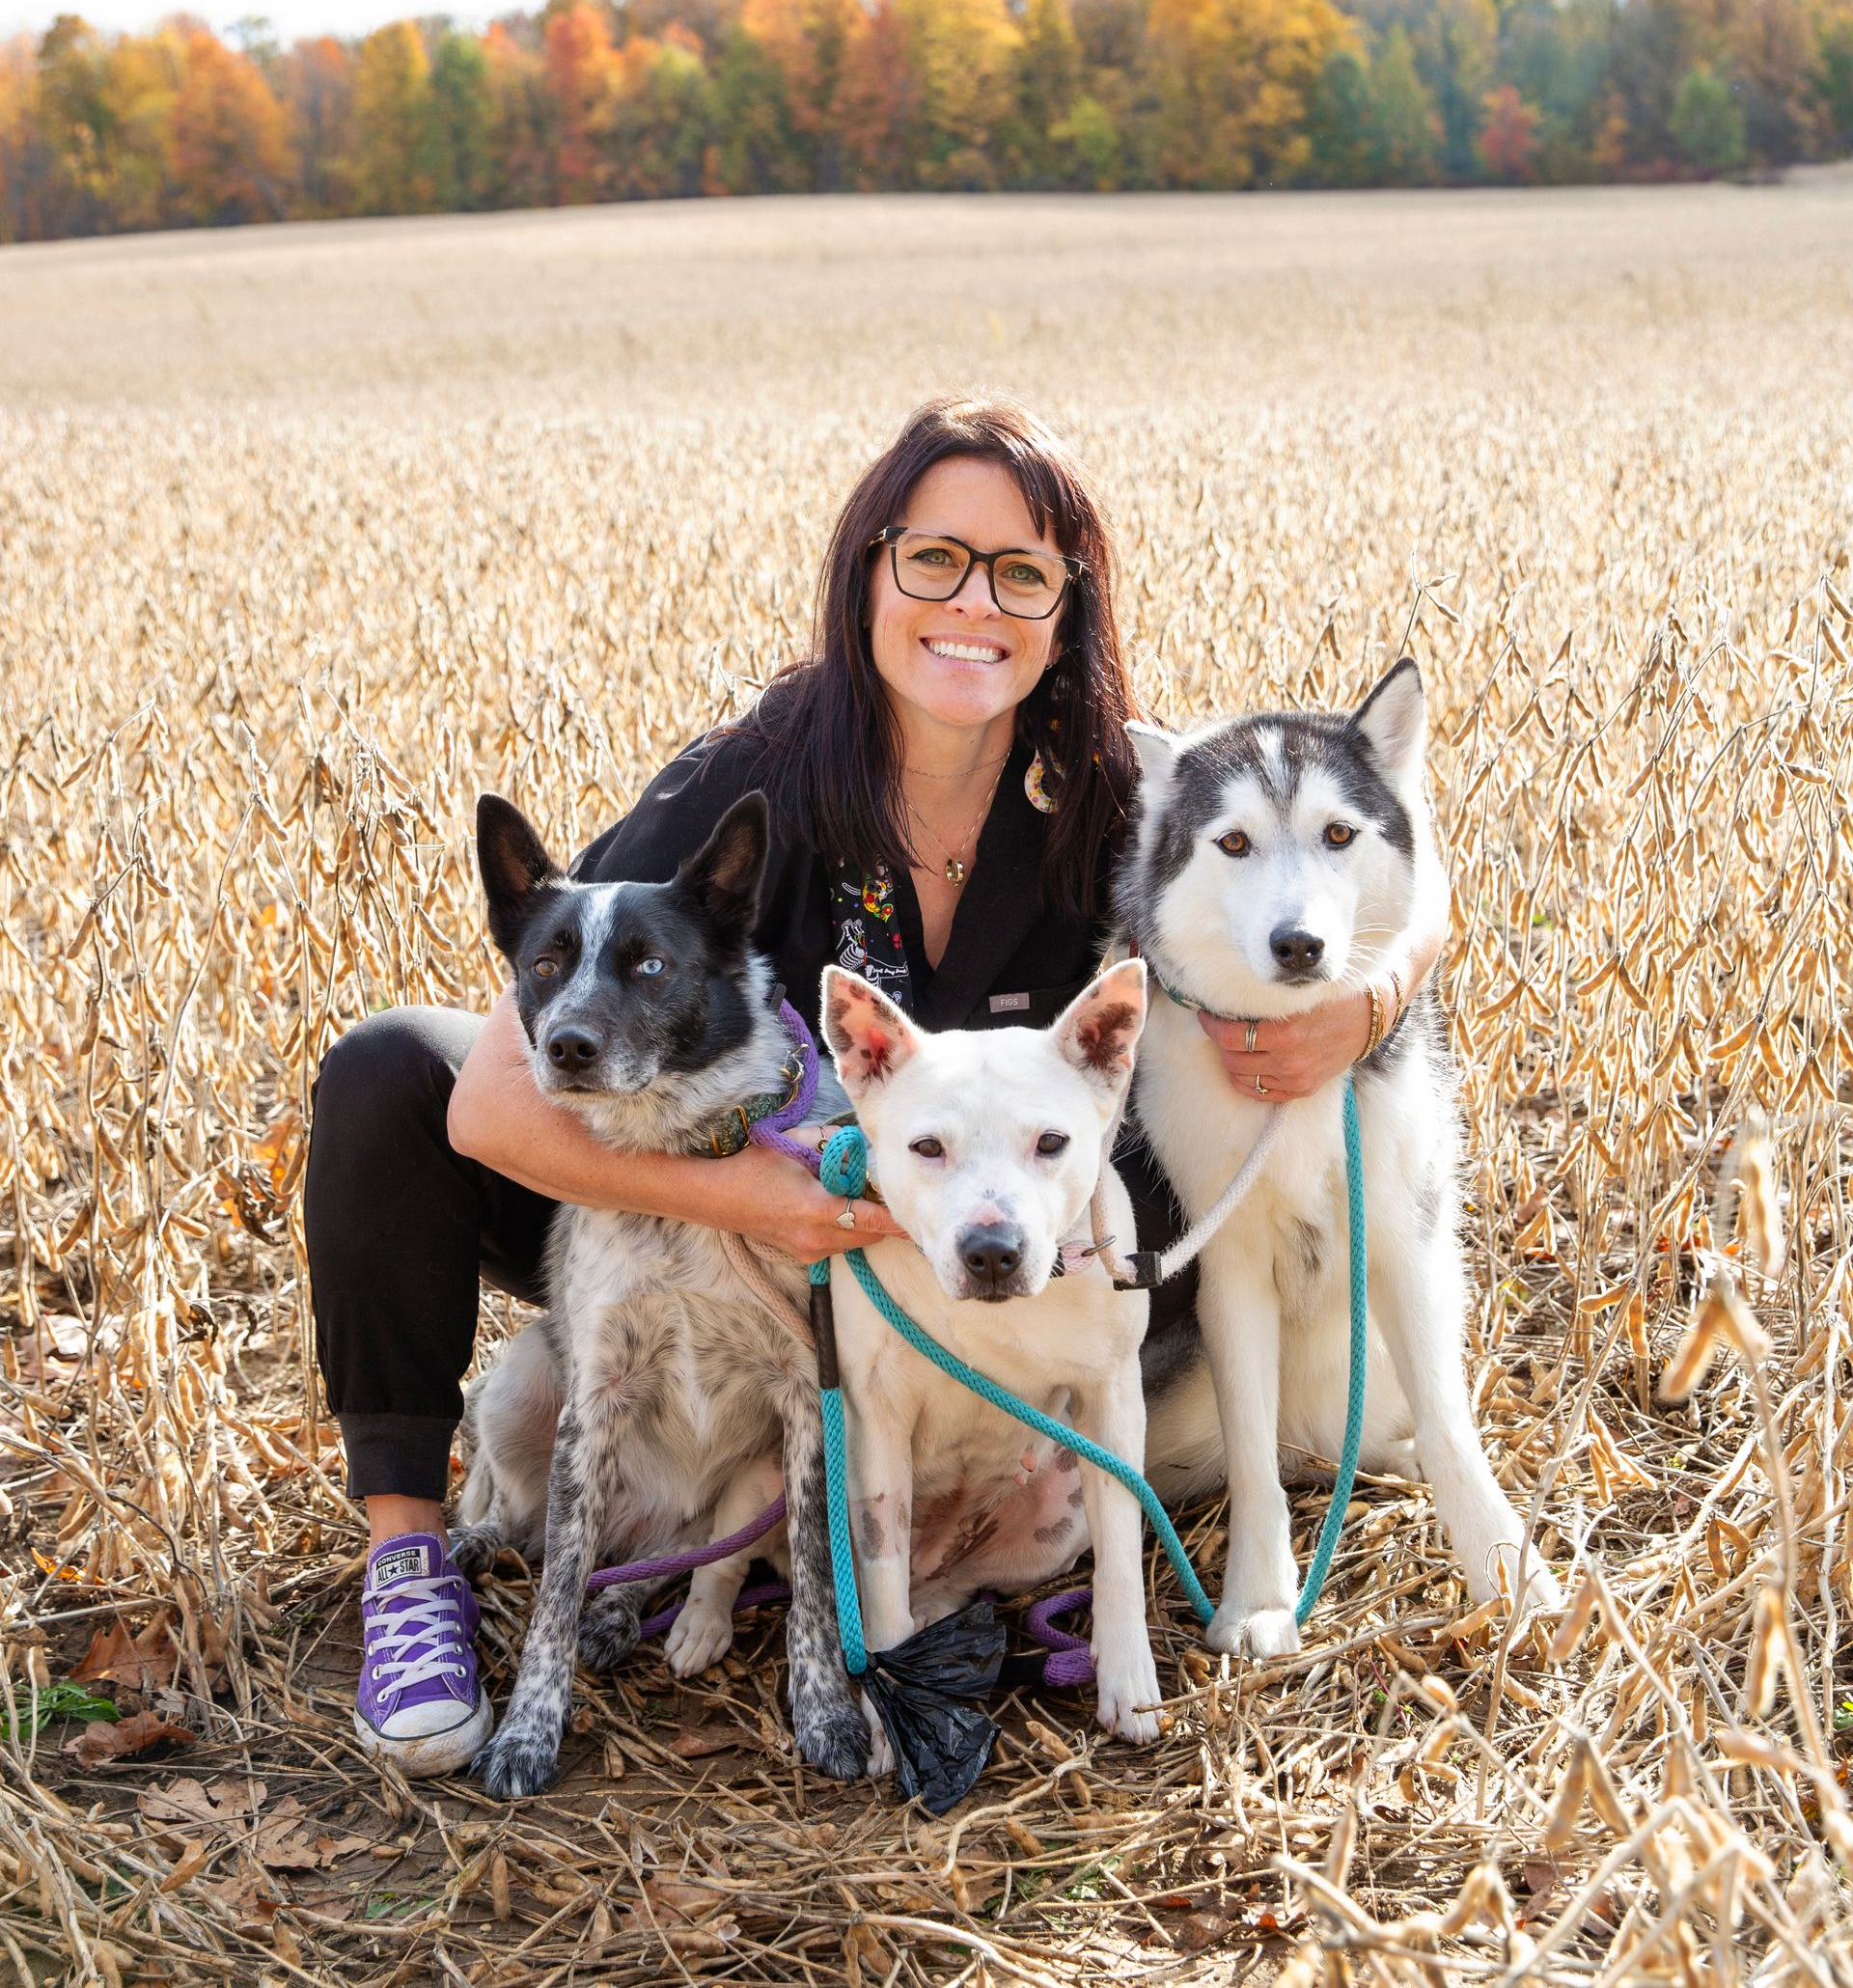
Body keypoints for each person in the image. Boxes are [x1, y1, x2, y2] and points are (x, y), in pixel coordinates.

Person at [303, 395, 1440, 1776]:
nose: (976, 602)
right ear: (868, 573)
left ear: (1068, 609)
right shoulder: (753, 774)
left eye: (1023, 573)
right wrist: (747, 1200)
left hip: (996, 1242)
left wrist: (1373, 998)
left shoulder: (1107, 789)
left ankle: (991, 1505)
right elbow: (489, 1107)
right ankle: (412, 1561)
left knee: (1163, 1162)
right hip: (718, 1229)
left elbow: (1364, 846)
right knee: (381, 1080)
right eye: (934, 558)